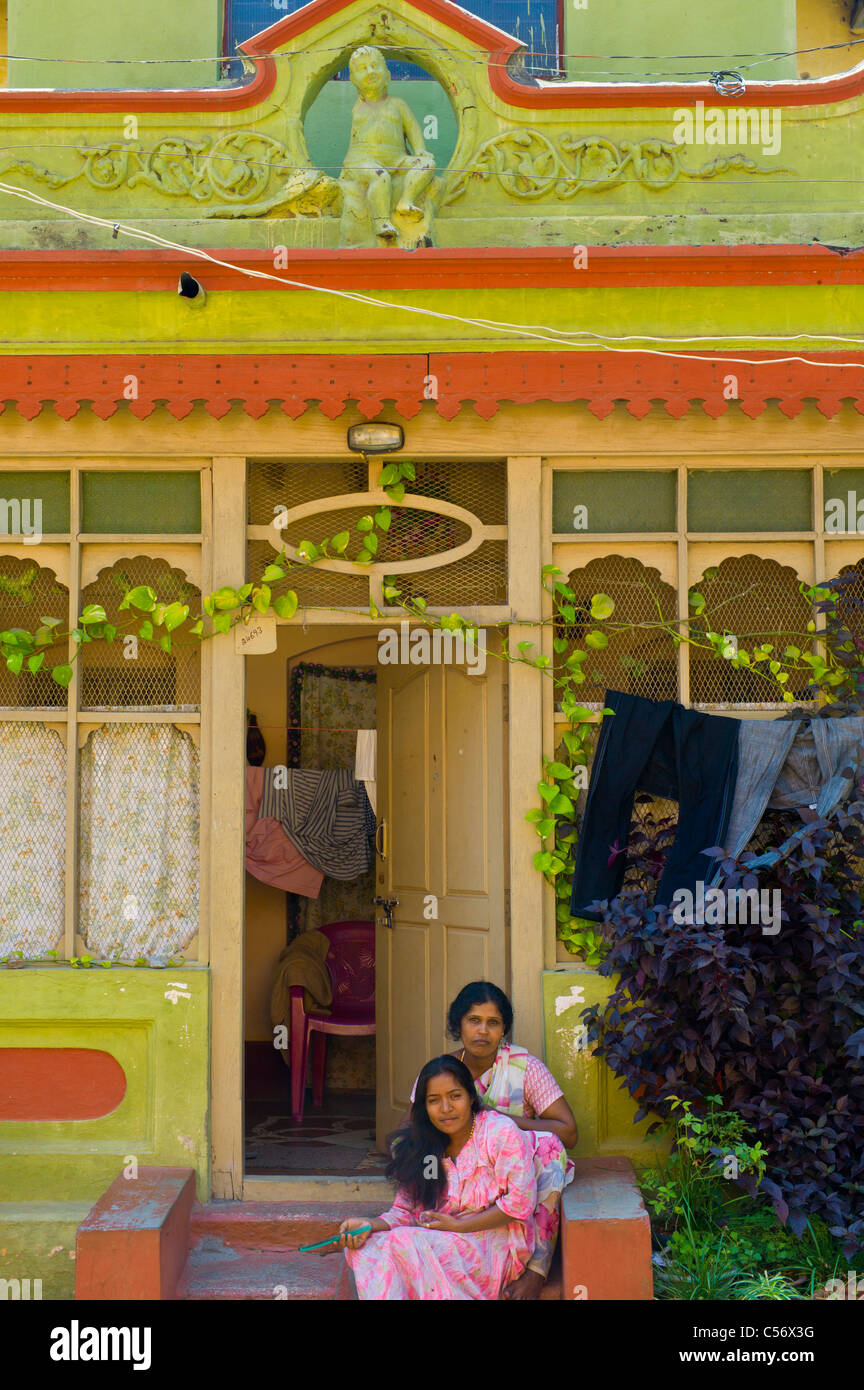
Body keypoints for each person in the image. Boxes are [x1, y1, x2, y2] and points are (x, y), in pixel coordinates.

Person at [407, 981, 579, 1300]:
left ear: (503, 1030)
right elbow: (410, 1135)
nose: (482, 1031)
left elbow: (569, 1132)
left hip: (513, 1179)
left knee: (549, 1147)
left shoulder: (524, 1068)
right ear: (458, 1024)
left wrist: (498, 1120)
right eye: (474, 1020)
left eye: (493, 1023)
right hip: (463, 1183)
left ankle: (536, 1270)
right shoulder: (442, 1072)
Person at [339, 1056, 537, 1300]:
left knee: (402, 1243)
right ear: (424, 1106)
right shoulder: (423, 1147)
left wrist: (459, 1226)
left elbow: (520, 1203)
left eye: (455, 1096)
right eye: (434, 1100)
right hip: (438, 1239)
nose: (446, 1108)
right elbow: (406, 1212)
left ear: (471, 1097)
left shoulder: (498, 1133)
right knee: (368, 1248)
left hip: (494, 1245)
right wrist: (368, 1225)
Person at [340, 45, 435, 243]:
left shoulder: (398, 104)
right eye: (363, 68)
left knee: (427, 165)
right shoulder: (359, 106)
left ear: (388, 75)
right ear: (353, 80)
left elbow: (413, 129)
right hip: (362, 160)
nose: (371, 71)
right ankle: (380, 221)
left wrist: (420, 150)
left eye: (375, 66)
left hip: (396, 158)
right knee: (379, 176)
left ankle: (406, 201)